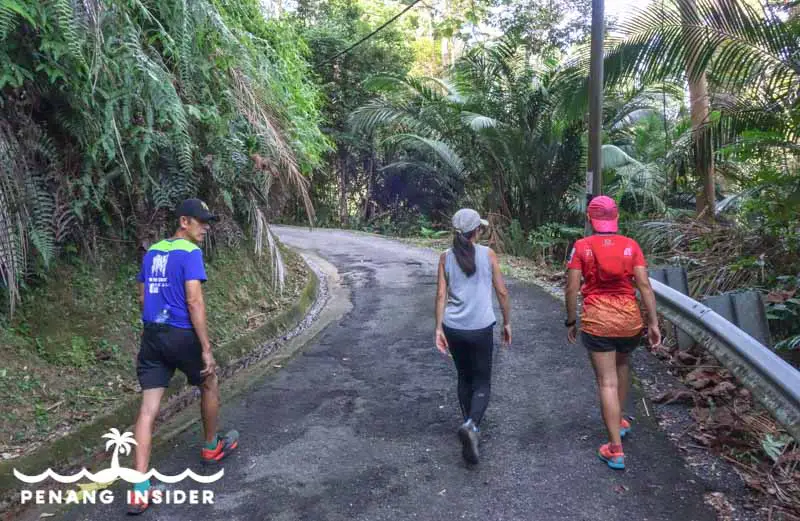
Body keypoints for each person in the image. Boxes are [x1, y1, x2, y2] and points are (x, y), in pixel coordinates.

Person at [128, 198, 239, 515]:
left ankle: (139, 488)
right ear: (184, 222)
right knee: (209, 382)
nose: (206, 228)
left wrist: (155, 324)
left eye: (207, 223)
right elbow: (194, 301)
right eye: (201, 222)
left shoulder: (153, 252)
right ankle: (210, 448)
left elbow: (141, 295)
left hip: (153, 335)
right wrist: (205, 347)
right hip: (181, 334)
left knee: (148, 407)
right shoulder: (190, 253)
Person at [565, 195, 661, 470]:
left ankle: (615, 449)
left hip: (598, 320)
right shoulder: (631, 246)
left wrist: (571, 320)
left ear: (589, 218)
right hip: (630, 321)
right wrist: (652, 323)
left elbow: (572, 288)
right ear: (616, 217)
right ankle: (618, 422)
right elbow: (644, 286)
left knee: (606, 382)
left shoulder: (581, 247)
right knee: (622, 366)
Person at [435, 208, 511, 465]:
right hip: (480, 327)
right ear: (477, 230)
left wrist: (438, 328)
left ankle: (470, 425)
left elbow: (441, 295)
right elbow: (502, 292)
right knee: (482, 381)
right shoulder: (487, 254)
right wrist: (507, 322)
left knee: (464, 377)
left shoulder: (445, 257)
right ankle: (471, 426)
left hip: (454, 327)